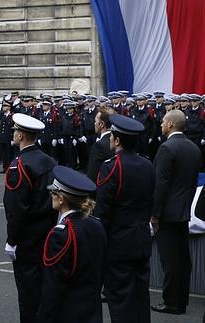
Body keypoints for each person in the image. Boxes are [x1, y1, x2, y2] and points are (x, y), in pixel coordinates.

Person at [94, 114, 153, 322]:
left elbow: (103, 210)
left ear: (117, 140)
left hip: (119, 241)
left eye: (112, 136)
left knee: (120, 299)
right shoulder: (147, 165)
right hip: (142, 238)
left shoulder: (112, 166)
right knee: (140, 296)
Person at [3, 113, 57, 323]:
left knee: (28, 289)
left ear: (21, 135)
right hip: (48, 227)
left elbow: (16, 208)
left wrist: (12, 240)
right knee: (45, 283)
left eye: (16, 131)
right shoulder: (48, 160)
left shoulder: (20, 164)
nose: (14, 134)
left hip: (27, 233)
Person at [35, 166, 107, 322]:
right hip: (92, 311)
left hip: (68, 313)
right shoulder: (97, 225)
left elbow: (53, 288)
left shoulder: (60, 234)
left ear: (61, 199)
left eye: (53, 193)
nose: (50, 196)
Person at [151, 110, 201, 315]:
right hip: (183, 211)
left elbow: (160, 185)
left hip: (167, 214)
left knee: (170, 260)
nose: (161, 124)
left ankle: (171, 303)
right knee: (182, 259)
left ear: (171, 124)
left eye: (163, 121)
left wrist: (155, 214)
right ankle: (181, 301)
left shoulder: (166, 148)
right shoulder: (193, 148)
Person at [86, 107, 114, 181]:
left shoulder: (99, 146)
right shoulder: (117, 141)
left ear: (101, 124)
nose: (94, 123)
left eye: (96, 121)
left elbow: (92, 176)